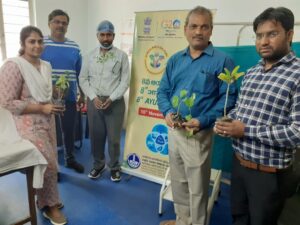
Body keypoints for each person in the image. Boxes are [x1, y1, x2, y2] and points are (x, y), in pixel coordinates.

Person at [214, 7, 300, 225]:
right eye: (259, 35)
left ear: (289, 35)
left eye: (272, 34)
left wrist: (245, 130)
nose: (263, 41)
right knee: (239, 217)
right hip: (240, 165)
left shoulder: (297, 75)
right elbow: (240, 110)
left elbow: (297, 132)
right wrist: (226, 122)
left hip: (269, 174)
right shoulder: (252, 72)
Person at [157, 6, 237, 225]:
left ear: (211, 30)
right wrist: (168, 112)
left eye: (204, 27)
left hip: (198, 134)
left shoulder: (222, 61)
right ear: (185, 29)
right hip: (175, 131)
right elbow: (163, 91)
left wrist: (203, 120)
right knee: (179, 181)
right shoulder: (175, 60)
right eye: (194, 26)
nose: (198, 31)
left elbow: (228, 99)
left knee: (198, 187)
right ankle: (183, 220)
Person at [0, 26, 67, 225]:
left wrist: (55, 97)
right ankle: (51, 207)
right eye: (31, 41)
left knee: (52, 161)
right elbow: (6, 102)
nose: (37, 45)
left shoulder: (45, 65)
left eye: (39, 41)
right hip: (27, 124)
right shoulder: (13, 66)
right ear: (22, 44)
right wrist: (41, 108)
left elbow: (44, 91)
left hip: (48, 120)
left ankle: (45, 201)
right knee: (48, 163)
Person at [79, 20, 130, 182]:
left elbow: (125, 81)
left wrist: (112, 98)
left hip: (114, 103)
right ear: (97, 36)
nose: (106, 38)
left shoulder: (121, 56)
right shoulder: (88, 56)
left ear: (113, 36)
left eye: (109, 35)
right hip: (94, 102)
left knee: (114, 139)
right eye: (103, 35)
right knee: (96, 136)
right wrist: (93, 97)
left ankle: (115, 167)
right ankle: (98, 165)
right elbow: (83, 79)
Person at [41, 9, 84, 174]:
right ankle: (52, 166)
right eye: (57, 22)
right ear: (49, 23)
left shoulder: (74, 46)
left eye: (64, 23)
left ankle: (70, 159)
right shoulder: (41, 44)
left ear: (67, 26)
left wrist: (82, 94)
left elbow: (78, 73)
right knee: (49, 133)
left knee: (69, 130)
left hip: (70, 98)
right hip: (46, 99)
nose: (60, 25)